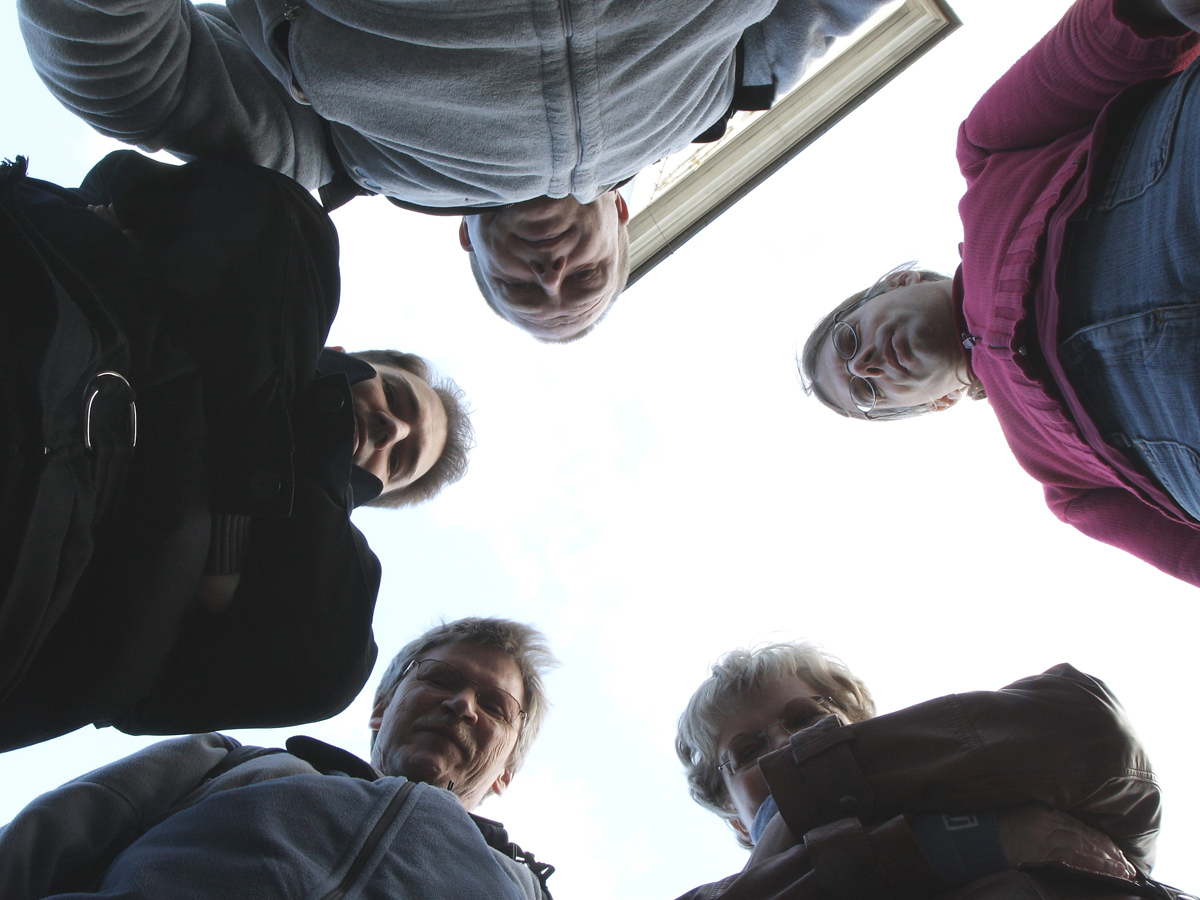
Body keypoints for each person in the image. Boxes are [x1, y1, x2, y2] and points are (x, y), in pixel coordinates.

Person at [19, 0, 888, 341]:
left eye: (523, 287)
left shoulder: (342, 161)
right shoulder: (727, 91)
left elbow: (142, 73)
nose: (551, 269)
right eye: (582, 276)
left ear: (467, 243)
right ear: (621, 218)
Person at [0, 149, 473, 752]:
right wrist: (229, 526)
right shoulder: (278, 287)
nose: (391, 432)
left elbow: (312, 675)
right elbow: (262, 212)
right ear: (343, 357)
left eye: (400, 463)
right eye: (399, 399)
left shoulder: (324, 593)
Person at [799, 0, 1200, 587]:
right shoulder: (1065, 485)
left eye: (848, 338)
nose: (867, 364)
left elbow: (1106, 38)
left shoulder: (988, 156)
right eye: (866, 390)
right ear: (936, 404)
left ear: (899, 282)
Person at [0, 617, 558, 900]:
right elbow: (35, 846)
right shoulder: (221, 763)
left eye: (494, 707)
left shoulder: (525, 891)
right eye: (442, 679)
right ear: (381, 707)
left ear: (506, 772)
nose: (462, 705)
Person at [673, 642, 1189, 900]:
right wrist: (988, 840)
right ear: (738, 822)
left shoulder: (1001, 773)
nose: (786, 744)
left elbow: (1094, 731)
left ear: (865, 727)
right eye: (749, 751)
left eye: (806, 719)